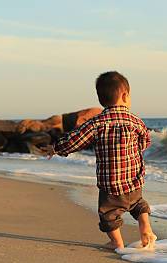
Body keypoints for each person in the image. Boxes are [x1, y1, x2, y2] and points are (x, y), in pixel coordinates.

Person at [47, 71, 156, 250]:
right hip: (134, 181)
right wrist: (135, 151)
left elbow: (75, 140)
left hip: (110, 184)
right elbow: (146, 140)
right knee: (139, 205)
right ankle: (145, 226)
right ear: (125, 96)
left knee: (108, 214)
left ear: (101, 100)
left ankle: (117, 242)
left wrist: (57, 148)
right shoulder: (136, 121)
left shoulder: (97, 122)